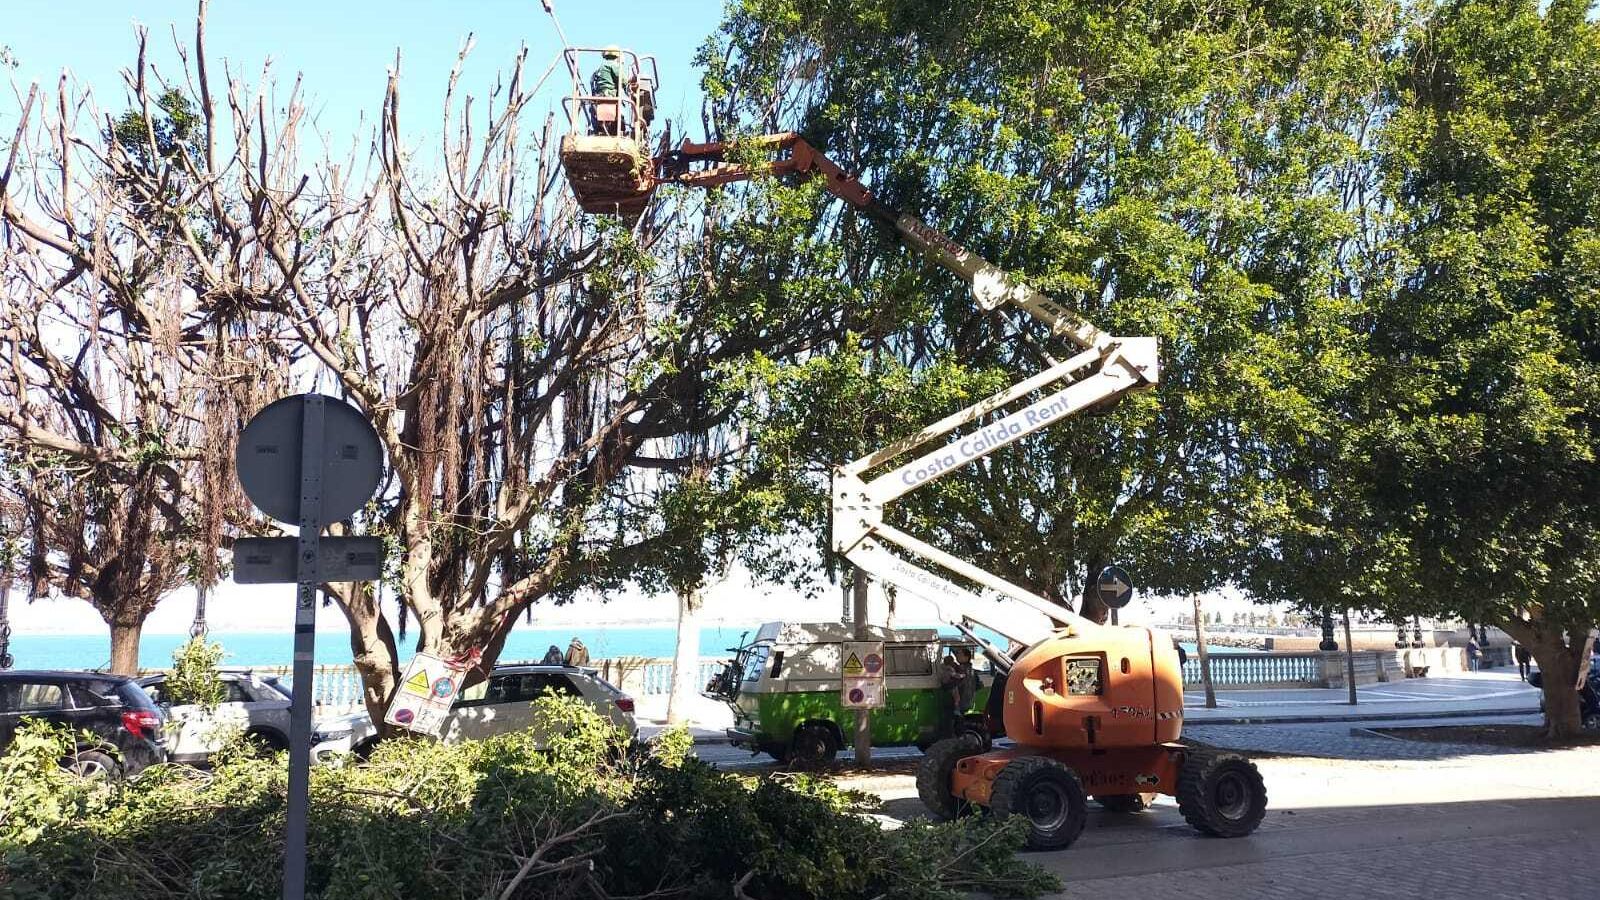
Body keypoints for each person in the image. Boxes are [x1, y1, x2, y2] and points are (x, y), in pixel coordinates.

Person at [939, 646, 977, 738]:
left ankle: (958, 740)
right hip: (967, 700)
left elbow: (953, 683)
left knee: (954, 722)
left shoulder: (962, 669)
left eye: (959, 654)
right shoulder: (971, 669)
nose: (957, 656)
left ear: (966, 657)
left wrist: (945, 685)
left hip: (960, 701)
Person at [589, 46, 624, 136]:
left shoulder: (600, 68)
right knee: (619, 119)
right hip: (609, 96)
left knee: (595, 112)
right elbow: (623, 80)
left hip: (598, 98)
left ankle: (598, 130)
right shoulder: (613, 65)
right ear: (617, 56)